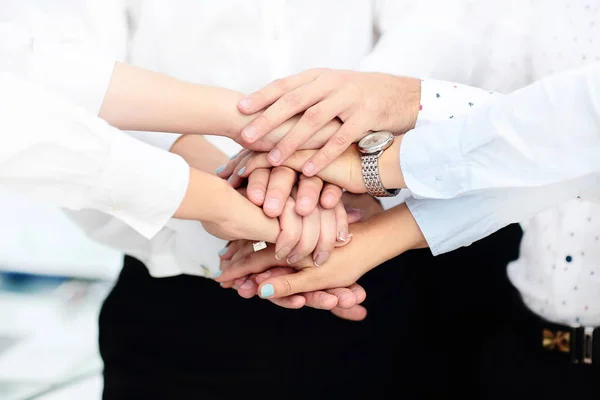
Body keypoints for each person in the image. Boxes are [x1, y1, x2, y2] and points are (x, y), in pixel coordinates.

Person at [6, 2, 522, 398]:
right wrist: (243, 182)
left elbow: (445, 23)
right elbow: (41, 73)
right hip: (186, 295)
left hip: (408, 263)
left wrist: (338, 132)